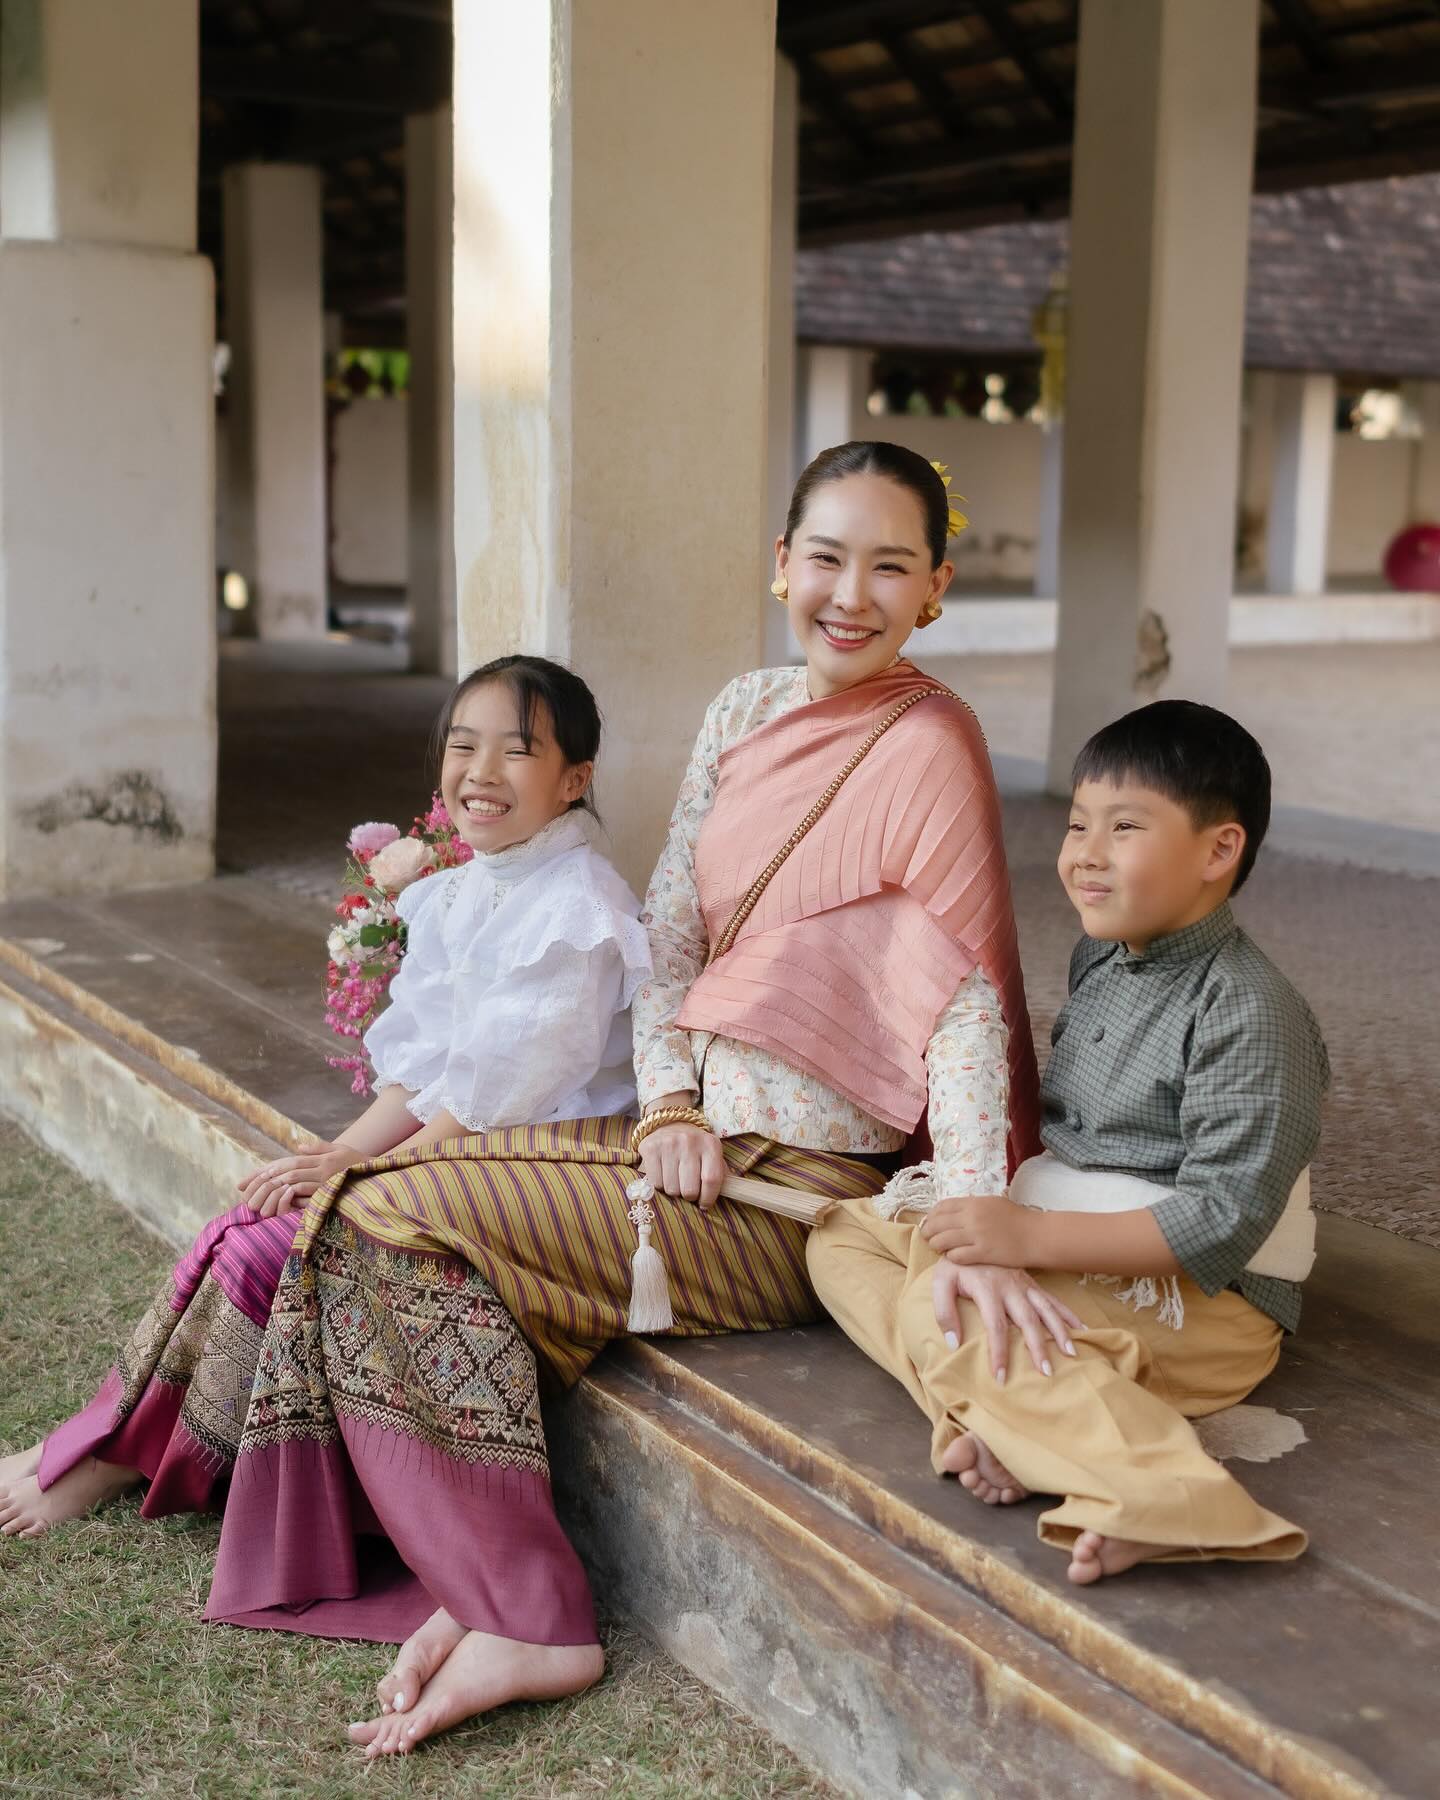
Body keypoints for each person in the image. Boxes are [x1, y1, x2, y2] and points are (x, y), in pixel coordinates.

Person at [201, 442, 1071, 1760]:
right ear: (780, 564)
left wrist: (974, 1211)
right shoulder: (744, 709)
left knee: (393, 1218)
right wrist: (665, 1102)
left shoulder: (929, 742)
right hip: (676, 1149)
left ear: (938, 586)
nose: (852, 591)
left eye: (891, 564)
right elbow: (672, 928)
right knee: (376, 1203)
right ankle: (474, 1579)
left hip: (794, 1193)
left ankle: (524, 1613)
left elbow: (960, 1013)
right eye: (825, 557)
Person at [0, 655, 650, 1545]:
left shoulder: (577, 908)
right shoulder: (464, 891)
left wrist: (363, 1177)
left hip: (534, 1175)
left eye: (517, 751)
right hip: (462, 1150)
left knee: (287, 1245)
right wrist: (342, 1153)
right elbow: (425, 1070)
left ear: (576, 780)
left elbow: (502, 1095)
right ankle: (97, 1440)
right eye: (464, 746)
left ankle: (123, 1457)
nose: (481, 774)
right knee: (244, 1227)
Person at [807, 699, 1330, 1584]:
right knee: (843, 1238)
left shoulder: (1248, 1008)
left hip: (1209, 1303)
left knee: (960, 1310)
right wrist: (1009, 1241)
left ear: (1218, 850)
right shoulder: (1106, 956)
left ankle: (1166, 1497)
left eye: (1124, 827)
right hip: (1071, 1237)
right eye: (1079, 823)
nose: (1084, 852)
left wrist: (1026, 1240)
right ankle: (1007, 1421)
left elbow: (1222, 1220)